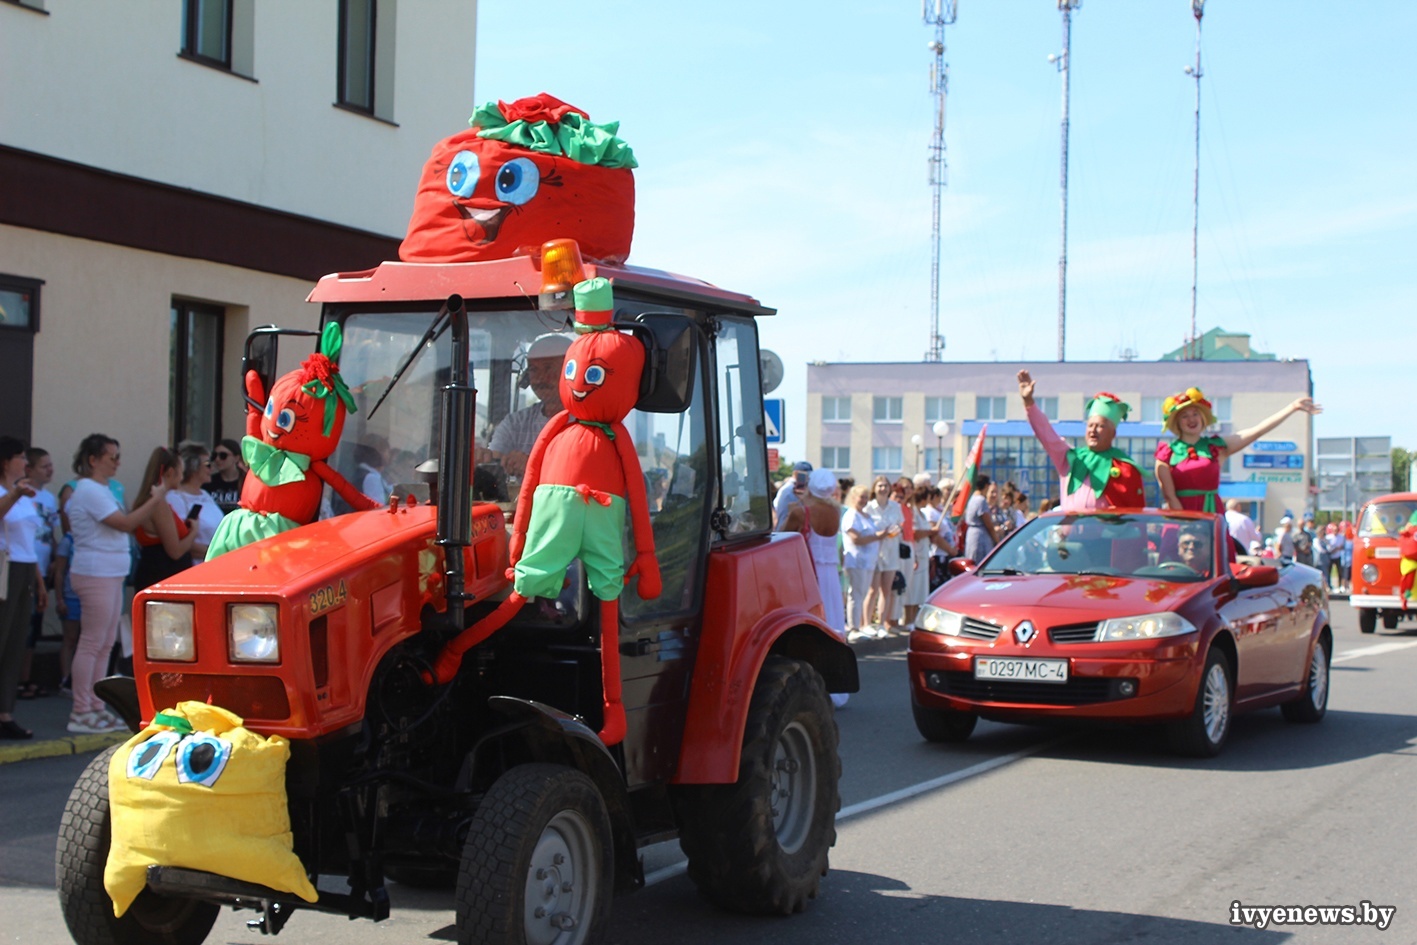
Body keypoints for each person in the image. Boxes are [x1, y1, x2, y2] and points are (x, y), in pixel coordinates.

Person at [64, 434, 173, 734]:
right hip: (95, 572)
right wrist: (156, 497)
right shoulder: (88, 490)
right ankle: (81, 710)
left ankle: (95, 707)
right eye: (112, 457)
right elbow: (125, 524)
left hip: (108, 572)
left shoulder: (100, 490)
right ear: (93, 460)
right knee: (92, 641)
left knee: (105, 642)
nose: (117, 463)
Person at [1155, 386, 1322, 512]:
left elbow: (1257, 430)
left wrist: (1292, 408)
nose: (1191, 419)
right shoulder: (1166, 454)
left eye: (1195, 414)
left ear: (1203, 418)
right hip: (1181, 519)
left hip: (1212, 515)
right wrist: (1189, 525)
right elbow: (1169, 496)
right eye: (1185, 416)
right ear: (1177, 423)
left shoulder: (1217, 447)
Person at [1018, 371, 1144, 511]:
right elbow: (1046, 433)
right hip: (1071, 532)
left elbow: (1133, 512)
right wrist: (1029, 402)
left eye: (1100, 426)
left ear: (1113, 433)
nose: (1093, 430)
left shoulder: (1124, 467)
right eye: (1090, 425)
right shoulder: (1071, 458)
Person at [782, 469, 850, 707]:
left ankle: (814, 686)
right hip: (831, 573)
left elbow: (781, 536)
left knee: (813, 626)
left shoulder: (802, 512)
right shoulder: (836, 511)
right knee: (833, 622)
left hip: (811, 573)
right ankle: (836, 686)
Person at [0, 437, 47, 739]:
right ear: (5, 462)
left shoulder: (24, 493)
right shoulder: (10, 492)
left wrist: (40, 583)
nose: (24, 463)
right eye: (19, 457)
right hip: (5, 569)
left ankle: (5, 713)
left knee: (15, 644)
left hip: (25, 569)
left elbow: (29, 544)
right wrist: (16, 493)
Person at [488, 333, 573, 477]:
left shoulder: (591, 424)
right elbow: (495, 457)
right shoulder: (516, 423)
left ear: (571, 372)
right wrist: (484, 458)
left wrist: (533, 466)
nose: (540, 378)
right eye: (534, 370)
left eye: (548, 368)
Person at [17, 447, 59, 701]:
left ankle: (26, 677)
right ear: (29, 469)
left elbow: (52, 532)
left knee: (34, 627)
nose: (50, 470)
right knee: (22, 627)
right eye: (44, 466)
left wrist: (54, 558)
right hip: (23, 567)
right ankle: (18, 680)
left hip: (42, 567)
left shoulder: (49, 499)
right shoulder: (19, 495)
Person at [132, 447, 200, 592]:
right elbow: (174, 551)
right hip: (162, 575)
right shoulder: (158, 505)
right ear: (170, 473)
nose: (182, 478)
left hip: (155, 571)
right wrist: (193, 532)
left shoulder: (149, 500)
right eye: (181, 472)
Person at [166, 441, 224, 562]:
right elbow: (179, 540)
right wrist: (217, 553)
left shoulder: (205, 495)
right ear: (193, 467)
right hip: (194, 566)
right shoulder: (176, 498)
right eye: (207, 464)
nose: (211, 469)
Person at [841, 485, 883, 642]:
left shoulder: (866, 515)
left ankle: (859, 625)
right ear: (853, 498)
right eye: (861, 497)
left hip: (868, 561)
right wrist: (878, 536)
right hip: (856, 560)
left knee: (862, 593)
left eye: (866, 497)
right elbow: (856, 538)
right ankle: (853, 627)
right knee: (856, 594)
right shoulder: (851, 515)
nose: (864, 501)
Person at [863, 476, 904, 635]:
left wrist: (896, 531)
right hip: (874, 552)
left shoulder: (895, 507)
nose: (883, 488)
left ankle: (881, 624)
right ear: (874, 488)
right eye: (880, 485)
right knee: (872, 590)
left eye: (885, 485)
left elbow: (900, 525)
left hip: (891, 551)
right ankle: (866, 623)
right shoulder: (869, 507)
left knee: (886, 590)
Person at [902, 483, 934, 625]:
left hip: (924, 555)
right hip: (916, 554)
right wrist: (931, 532)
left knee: (920, 590)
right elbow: (914, 533)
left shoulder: (922, 513)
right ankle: (907, 618)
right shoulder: (913, 512)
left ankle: (914, 618)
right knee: (912, 589)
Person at [203, 438, 246, 515]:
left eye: (223, 456)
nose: (217, 459)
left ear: (236, 458)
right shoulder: (209, 482)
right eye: (214, 455)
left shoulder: (246, 482)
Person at [963, 473, 999, 561]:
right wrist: (997, 541)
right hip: (980, 537)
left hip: (972, 534)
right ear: (986, 486)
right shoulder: (981, 500)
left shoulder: (972, 498)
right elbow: (988, 523)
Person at [773, 460, 813, 529]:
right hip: (787, 530)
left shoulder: (788, 488)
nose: (808, 477)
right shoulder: (789, 489)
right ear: (795, 474)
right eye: (804, 475)